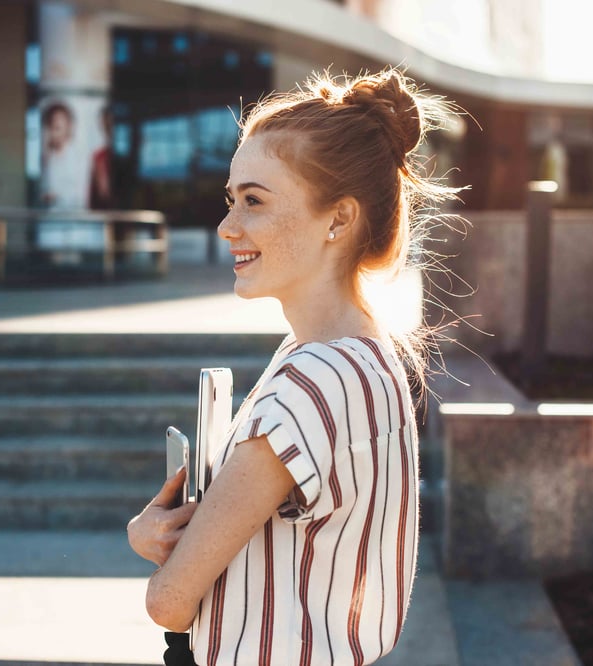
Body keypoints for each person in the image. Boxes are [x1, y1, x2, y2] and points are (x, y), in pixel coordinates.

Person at [127, 69, 463, 666]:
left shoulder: (307, 383)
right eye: (231, 201)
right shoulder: (371, 358)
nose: (228, 227)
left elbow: (171, 603)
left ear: (338, 219)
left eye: (254, 201)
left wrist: (148, 538)